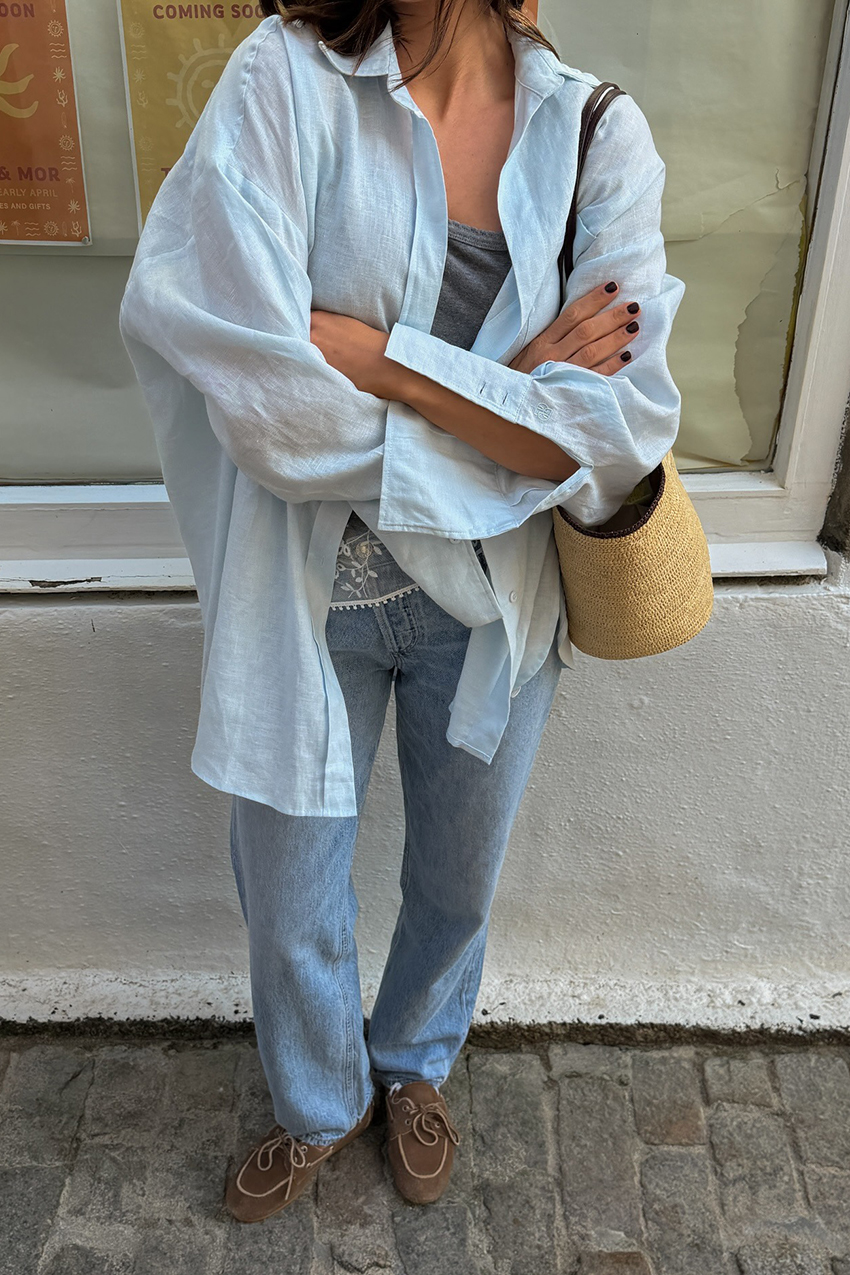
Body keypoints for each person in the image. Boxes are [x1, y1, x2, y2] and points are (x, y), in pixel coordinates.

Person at [119, 0, 685, 1222]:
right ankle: (319, 1107)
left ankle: (413, 1068)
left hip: (491, 612)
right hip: (305, 592)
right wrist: (514, 395)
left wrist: (384, 361)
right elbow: (265, 403)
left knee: (456, 878)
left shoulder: (596, 135)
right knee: (287, 895)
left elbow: (620, 430)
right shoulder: (282, 82)